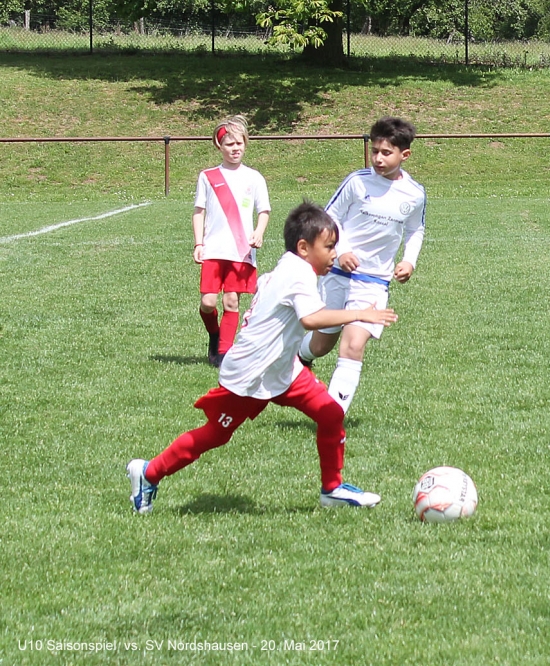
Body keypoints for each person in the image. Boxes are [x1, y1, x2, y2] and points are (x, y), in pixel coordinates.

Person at [127, 202, 397, 514]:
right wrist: (360, 314)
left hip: (284, 370)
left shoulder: (291, 267)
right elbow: (311, 319)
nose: (334, 254)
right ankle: (148, 472)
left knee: (330, 414)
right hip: (251, 373)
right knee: (216, 434)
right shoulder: (297, 274)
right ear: (304, 248)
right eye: (329, 247)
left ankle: (332, 488)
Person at [298, 117, 426, 415]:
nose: (378, 158)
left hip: (375, 281)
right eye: (375, 151)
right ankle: (299, 358)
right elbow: (329, 217)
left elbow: (415, 230)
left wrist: (409, 260)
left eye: (386, 153)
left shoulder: (415, 194)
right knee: (321, 346)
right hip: (338, 274)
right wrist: (342, 250)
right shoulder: (357, 181)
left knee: (353, 344)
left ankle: (331, 416)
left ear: (405, 155)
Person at [193, 114, 271, 367]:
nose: (235, 148)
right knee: (208, 302)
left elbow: (264, 210)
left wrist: (259, 231)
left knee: (231, 301)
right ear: (219, 146)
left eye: (239, 143)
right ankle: (214, 334)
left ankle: (224, 353)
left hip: (240, 250)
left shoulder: (254, 177)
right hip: (214, 249)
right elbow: (199, 211)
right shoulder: (208, 176)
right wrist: (198, 243)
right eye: (229, 144)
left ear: (245, 144)